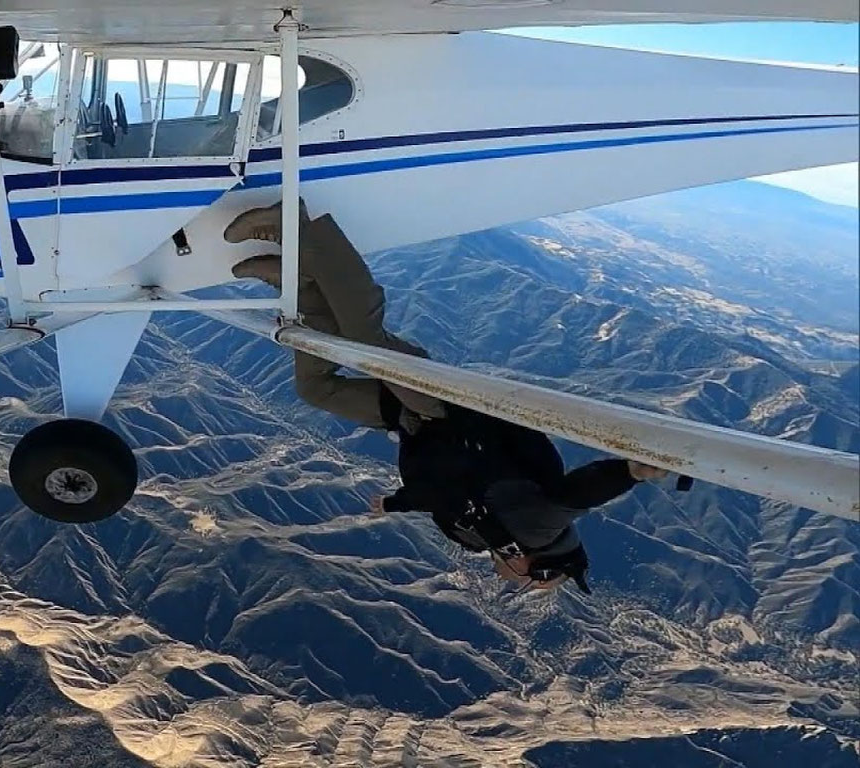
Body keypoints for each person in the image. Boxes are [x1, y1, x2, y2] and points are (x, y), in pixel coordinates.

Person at [223, 200, 666, 593]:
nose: (507, 581)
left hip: (419, 424)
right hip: (450, 411)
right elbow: (577, 496)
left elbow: (442, 493)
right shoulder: (536, 530)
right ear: (536, 566)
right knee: (366, 341)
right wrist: (630, 471)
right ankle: (300, 227)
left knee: (317, 388)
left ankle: (298, 284)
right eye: (526, 582)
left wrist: (398, 502)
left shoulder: (485, 537)